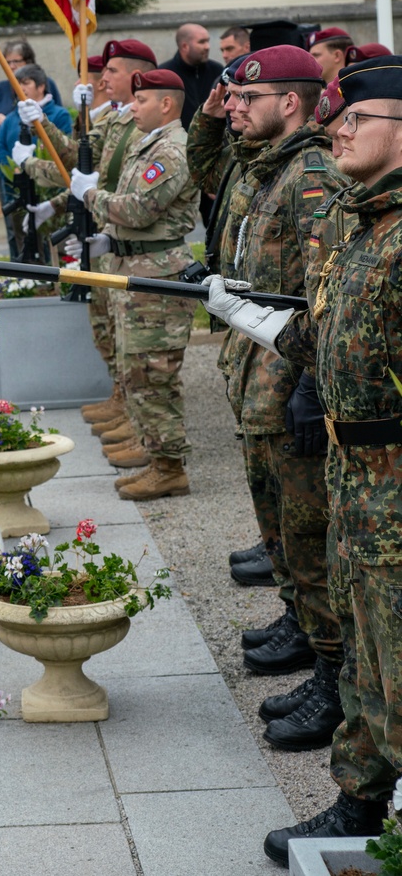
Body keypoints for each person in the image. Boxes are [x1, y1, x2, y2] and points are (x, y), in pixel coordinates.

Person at [205, 54, 402, 864]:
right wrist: (241, 310)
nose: (339, 128)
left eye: (358, 119)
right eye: (338, 117)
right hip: (353, 483)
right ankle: (358, 803)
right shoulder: (364, 225)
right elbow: (316, 334)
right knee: (361, 652)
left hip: (394, 481)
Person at [220, 48, 347, 752]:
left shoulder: (309, 173)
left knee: (308, 535)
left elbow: (321, 286)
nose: (234, 105)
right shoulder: (272, 165)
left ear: (290, 102)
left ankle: (333, 677)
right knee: (285, 535)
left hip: (288, 375)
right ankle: (311, 638)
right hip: (261, 372)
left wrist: (309, 382)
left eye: (249, 96)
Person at [71, 68, 199, 498]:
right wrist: (110, 234)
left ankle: (169, 467)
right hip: (139, 270)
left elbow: (140, 209)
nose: (132, 106)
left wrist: (91, 195)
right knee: (136, 370)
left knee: (153, 374)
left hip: (158, 277)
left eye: (141, 100)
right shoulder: (150, 146)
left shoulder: (172, 151)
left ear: (166, 104)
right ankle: (153, 452)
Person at [21, 38, 157, 435]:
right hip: (105, 230)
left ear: (135, 75)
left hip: (121, 233)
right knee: (108, 326)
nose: (101, 79)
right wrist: (40, 122)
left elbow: (109, 182)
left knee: (128, 336)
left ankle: (138, 420)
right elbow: (72, 159)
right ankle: (123, 401)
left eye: (110, 72)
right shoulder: (115, 120)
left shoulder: (142, 125)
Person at [187, 55, 275, 588]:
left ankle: (287, 562)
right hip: (246, 328)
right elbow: (204, 168)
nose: (235, 107)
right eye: (232, 97)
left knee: (281, 462)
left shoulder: (294, 169)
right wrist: (210, 115)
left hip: (275, 335)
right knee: (261, 458)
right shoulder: (248, 159)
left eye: (246, 98)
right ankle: (274, 544)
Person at [0, 64, 73, 258]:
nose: (21, 87)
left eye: (26, 82)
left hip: (50, 187)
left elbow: (65, 148)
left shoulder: (58, 115)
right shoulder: (11, 118)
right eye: (17, 83)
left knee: (52, 242)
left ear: (41, 86)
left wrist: (34, 164)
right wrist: (13, 167)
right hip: (18, 185)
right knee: (22, 238)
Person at [0, 38, 62, 132]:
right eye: (7, 62)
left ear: (29, 61)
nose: (11, 66)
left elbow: (58, 116)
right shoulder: (1, 88)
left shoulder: (46, 83)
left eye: (16, 61)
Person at [163, 23, 224, 130]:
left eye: (207, 41)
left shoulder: (217, 70)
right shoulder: (165, 74)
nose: (207, 47)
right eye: (201, 42)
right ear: (185, 46)